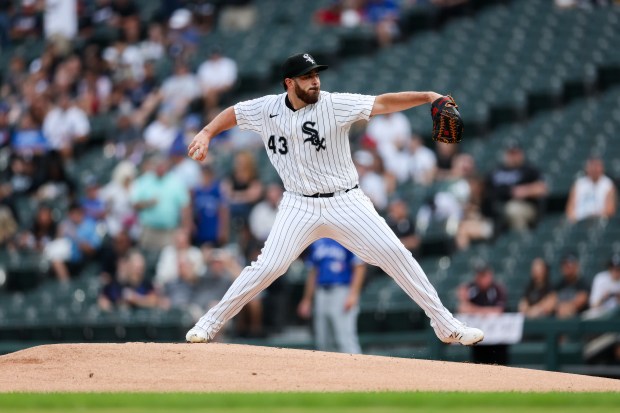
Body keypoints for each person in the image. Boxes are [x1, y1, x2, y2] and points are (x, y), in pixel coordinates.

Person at [185, 52, 483, 346]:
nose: (315, 81)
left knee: (395, 252)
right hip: (298, 204)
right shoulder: (266, 108)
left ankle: (446, 325)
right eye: (307, 77)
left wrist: (428, 95)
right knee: (267, 267)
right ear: (289, 83)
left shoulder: (334, 104)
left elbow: (381, 102)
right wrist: (207, 132)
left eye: (316, 75)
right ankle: (209, 324)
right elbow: (234, 113)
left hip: (345, 201)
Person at [297, 238, 366, 354]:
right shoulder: (318, 241)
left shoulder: (348, 237)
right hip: (321, 291)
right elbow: (313, 272)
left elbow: (359, 267)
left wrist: (353, 294)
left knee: (345, 339)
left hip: (342, 290)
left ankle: (356, 370)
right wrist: (307, 299)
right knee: (323, 340)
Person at [484, 141, 548, 231]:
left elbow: (542, 189)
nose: (513, 156)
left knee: (513, 209)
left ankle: (521, 239)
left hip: (524, 206)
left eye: (515, 153)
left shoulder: (528, 169)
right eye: (510, 153)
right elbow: (486, 189)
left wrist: (524, 191)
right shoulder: (495, 171)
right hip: (498, 206)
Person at [457, 262, 508, 364]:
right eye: (479, 275)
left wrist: (475, 310)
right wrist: (464, 300)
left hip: (497, 339)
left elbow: (498, 311)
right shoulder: (472, 288)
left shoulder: (497, 289)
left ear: (490, 275)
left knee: (498, 363)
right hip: (478, 340)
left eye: (483, 275)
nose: (480, 279)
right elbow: (462, 308)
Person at [565, 157, 617, 223]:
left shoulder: (608, 184)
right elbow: (569, 209)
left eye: (596, 166)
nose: (594, 169)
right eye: (592, 166)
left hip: (599, 221)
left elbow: (610, 209)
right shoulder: (579, 184)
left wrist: (594, 215)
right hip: (580, 221)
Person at [549, 252, 590, 318]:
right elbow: (550, 301)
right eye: (564, 265)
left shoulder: (582, 284)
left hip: (577, 323)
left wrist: (566, 308)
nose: (567, 267)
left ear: (576, 266)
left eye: (569, 265)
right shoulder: (559, 285)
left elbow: (581, 300)